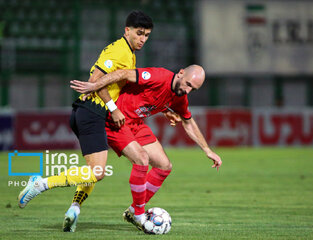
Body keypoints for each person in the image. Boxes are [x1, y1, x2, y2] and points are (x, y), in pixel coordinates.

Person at [16, 10, 176, 233]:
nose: (143, 39)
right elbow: (94, 81)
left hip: (91, 113)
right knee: (98, 172)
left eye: (147, 35)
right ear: (127, 30)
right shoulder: (119, 50)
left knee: (93, 170)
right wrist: (113, 109)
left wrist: (163, 108)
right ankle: (41, 184)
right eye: (139, 33)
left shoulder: (128, 53)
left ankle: (75, 207)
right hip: (92, 111)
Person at [70, 64, 223, 230]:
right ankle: (139, 215)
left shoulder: (179, 96)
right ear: (180, 73)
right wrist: (95, 85)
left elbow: (188, 122)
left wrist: (207, 150)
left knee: (164, 166)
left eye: (193, 89)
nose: (187, 91)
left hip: (135, 124)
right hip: (116, 121)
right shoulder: (158, 76)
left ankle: (133, 211)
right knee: (141, 159)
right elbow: (123, 74)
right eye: (188, 84)